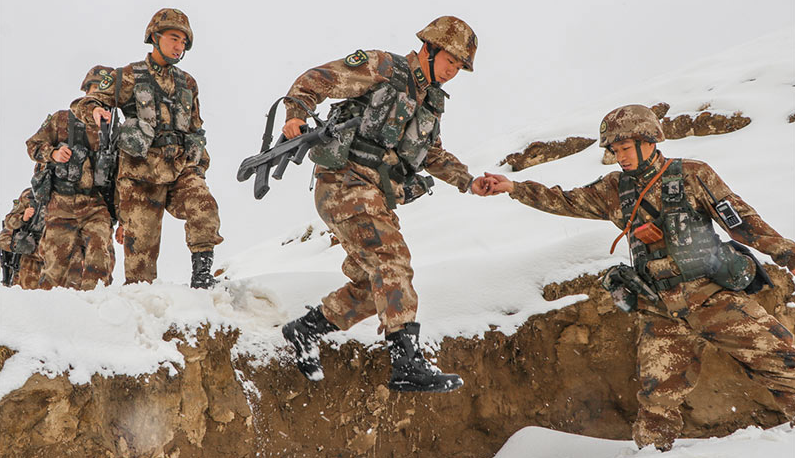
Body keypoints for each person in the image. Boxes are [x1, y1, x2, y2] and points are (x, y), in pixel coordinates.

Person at [483, 104, 795, 450]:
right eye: (614, 150)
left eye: (625, 148)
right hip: (662, 310)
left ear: (649, 141)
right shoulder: (614, 189)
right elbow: (565, 200)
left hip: (713, 297)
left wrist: (788, 253)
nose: (620, 157)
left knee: (786, 364)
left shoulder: (692, 175)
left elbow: (741, 221)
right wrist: (513, 186)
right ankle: (652, 454)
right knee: (656, 406)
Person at [280, 16, 490, 393]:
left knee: (371, 283)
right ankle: (407, 364)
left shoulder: (430, 102)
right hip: (344, 183)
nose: (453, 71)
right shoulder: (383, 67)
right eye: (450, 61)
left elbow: (432, 154)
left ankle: (305, 330)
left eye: (460, 66)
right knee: (392, 262)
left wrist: (469, 181)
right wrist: (295, 115)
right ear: (429, 48)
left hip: (372, 194)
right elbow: (318, 78)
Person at [71, 8, 222, 288]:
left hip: (179, 167)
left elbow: (195, 129)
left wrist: (199, 167)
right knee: (141, 266)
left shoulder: (187, 83)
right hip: (140, 176)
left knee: (205, 207)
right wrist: (96, 111)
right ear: (155, 36)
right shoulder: (128, 75)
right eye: (174, 38)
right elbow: (84, 103)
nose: (179, 46)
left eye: (184, 42)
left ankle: (202, 279)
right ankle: (143, 313)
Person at [25, 66, 118, 290]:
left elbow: (120, 178)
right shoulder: (61, 120)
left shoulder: (113, 130)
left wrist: (123, 219)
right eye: (94, 90)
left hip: (95, 204)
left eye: (104, 94)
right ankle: (49, 317)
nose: (98, 98)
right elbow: (32, 145)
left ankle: (96, 314)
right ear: (86, 91)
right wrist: (53, 154)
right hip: (61, 203)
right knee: (55, 268)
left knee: (100, 265)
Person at [0, 188, 44, 289]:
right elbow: (9, 221)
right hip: (30, 256)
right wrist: (23, 218)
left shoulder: (72, 197)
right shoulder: (29, 194)